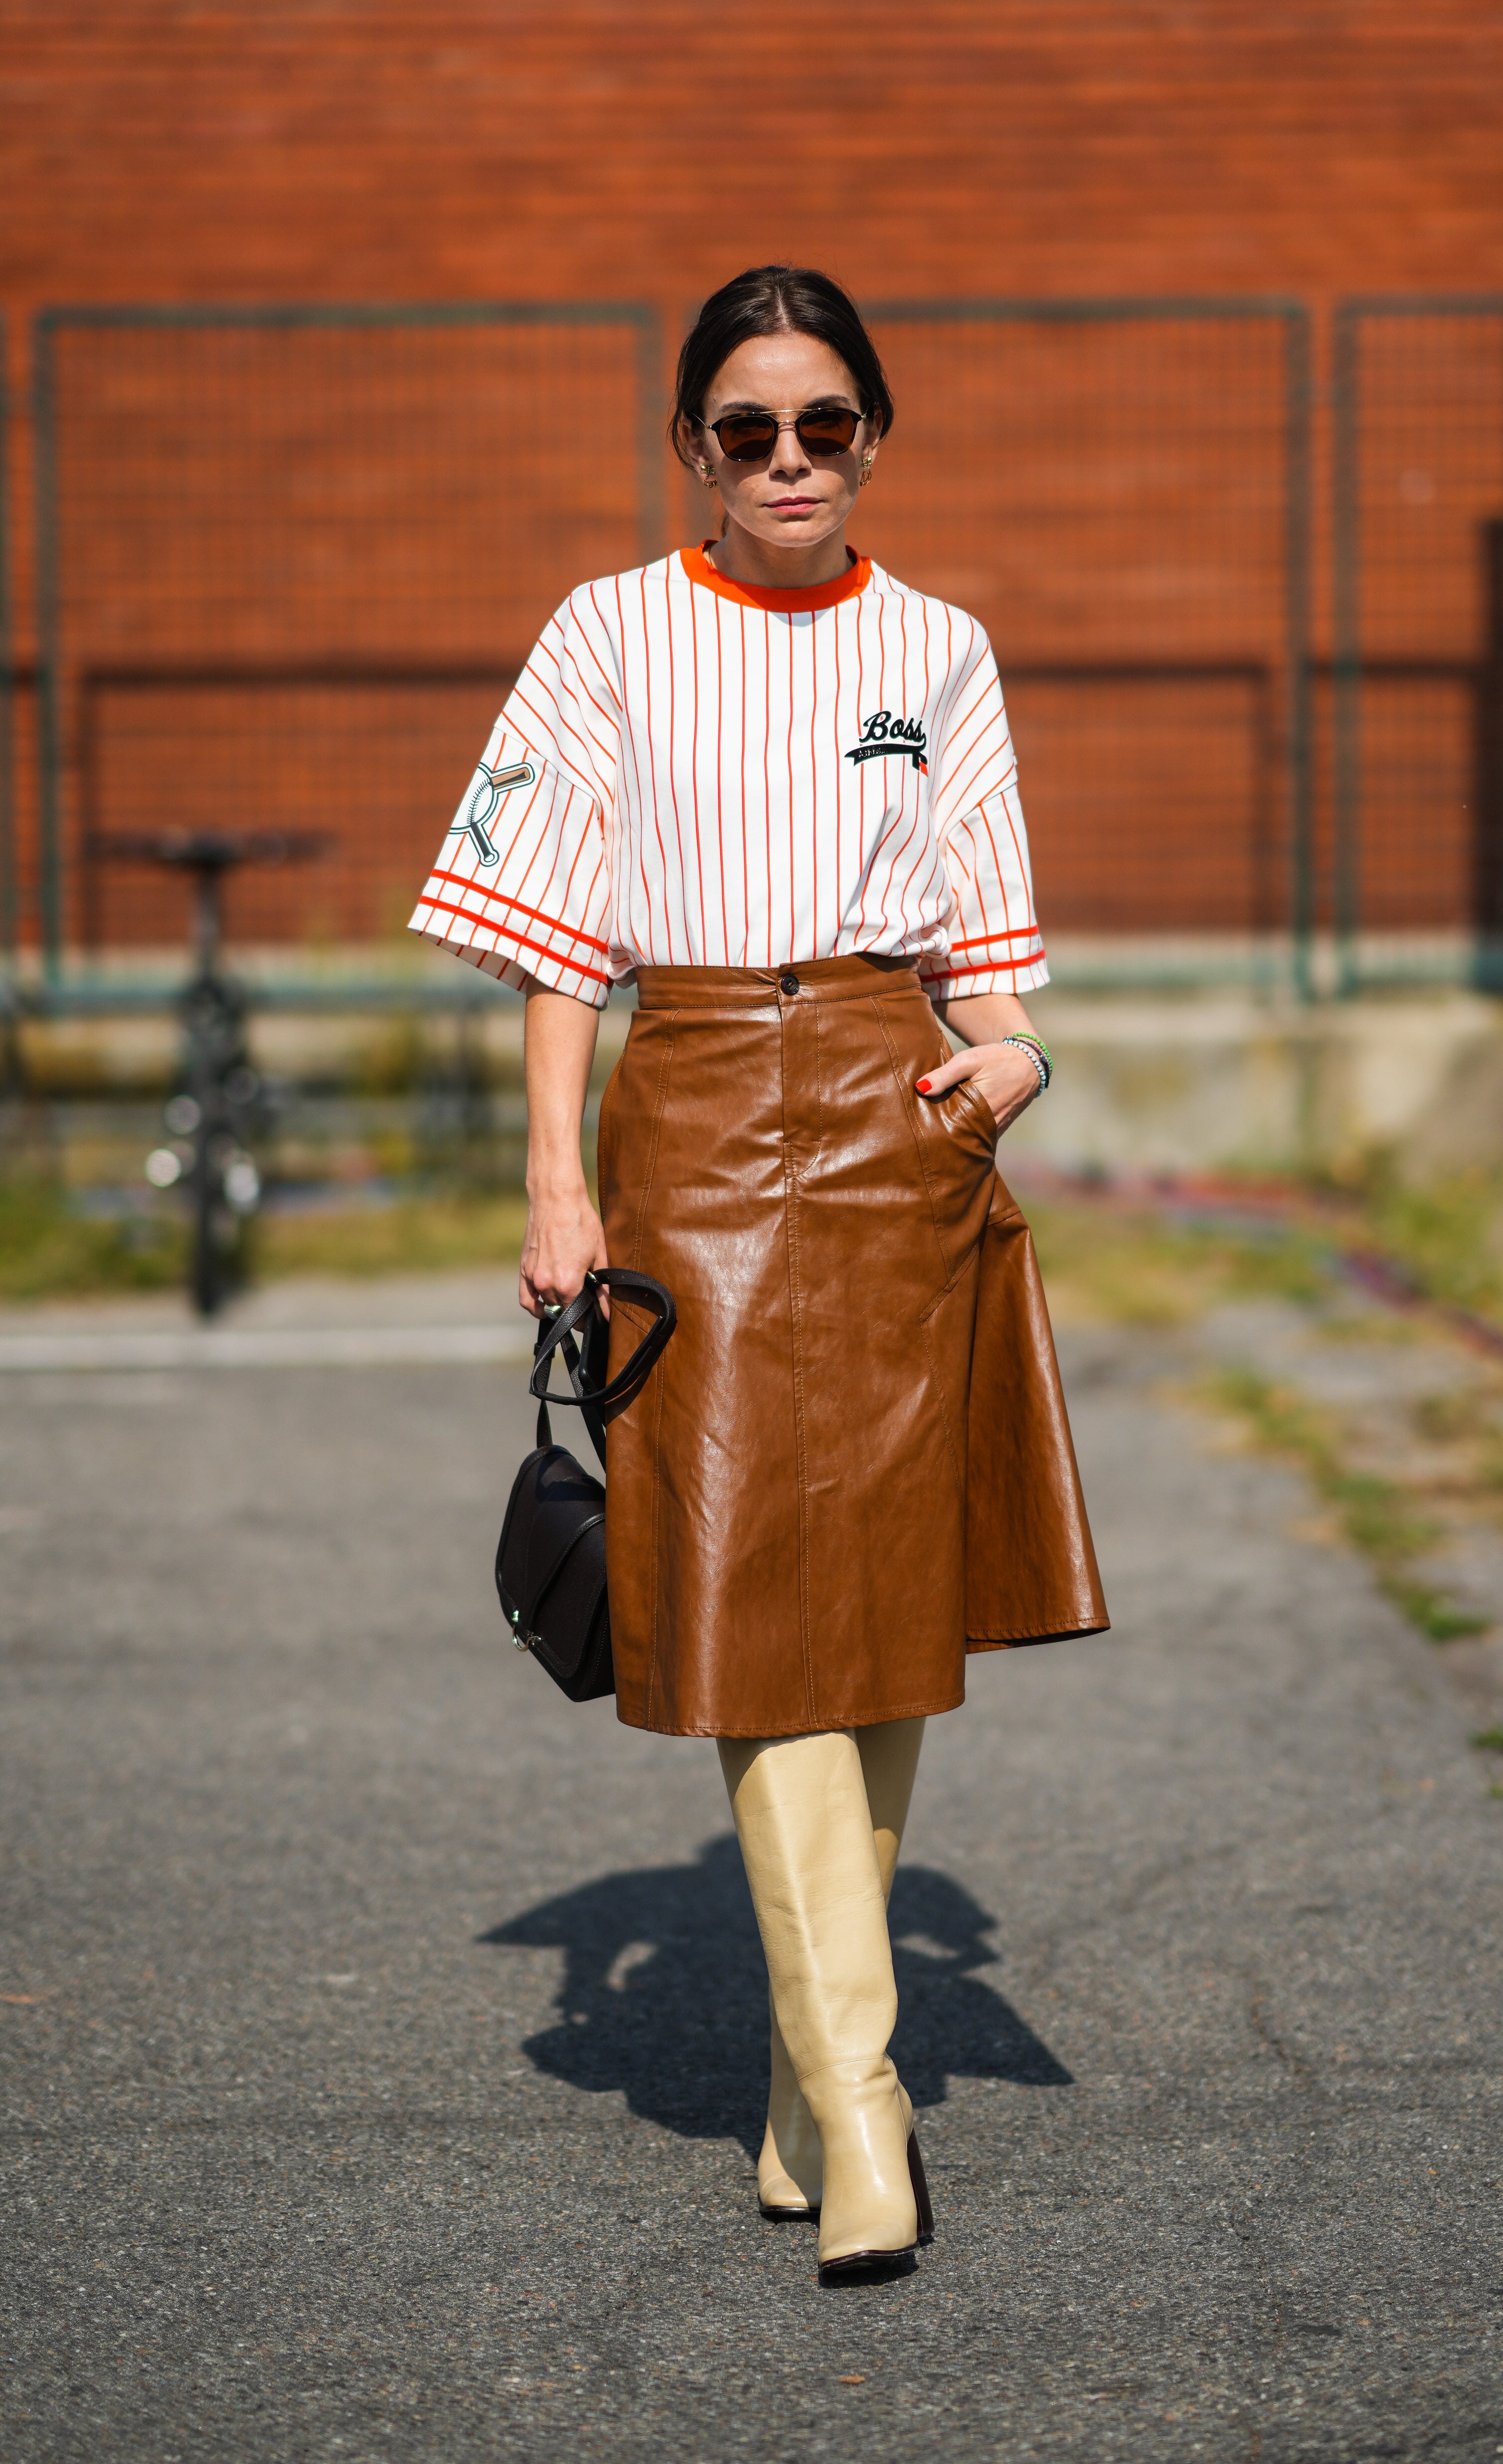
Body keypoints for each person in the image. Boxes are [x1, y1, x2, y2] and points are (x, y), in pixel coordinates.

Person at [410, 265, 1107, 2281]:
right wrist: (561, 1181)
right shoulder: (608, 630)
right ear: (691, 451)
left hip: (901, 1122)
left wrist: (1021, 1060)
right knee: (746, 1590)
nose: (788, 459)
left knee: (881, 1601)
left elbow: (993, 929)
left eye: (825, 425)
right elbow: (558, 931)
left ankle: (813, 2067)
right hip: (697, 1119)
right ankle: (866, 2098)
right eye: (747, 429)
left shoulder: (940, 647)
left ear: (872, 436)